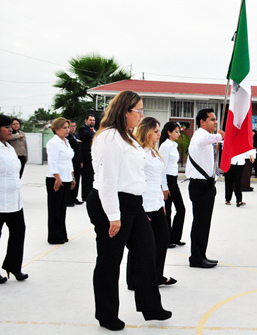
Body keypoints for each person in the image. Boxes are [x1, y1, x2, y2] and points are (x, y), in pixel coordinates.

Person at [86, 91, 171, 331]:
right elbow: (107, 179)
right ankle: (106, 314)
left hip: (133, 203)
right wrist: (114, 216)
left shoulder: (129, 138)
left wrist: (138, 206)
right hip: (111, 203)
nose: (141, 115)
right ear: (125, 111)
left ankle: (151, 306)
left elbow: (135, 175)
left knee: (147, 251)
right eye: (139, 111)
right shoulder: (109, 137)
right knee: (110, 261)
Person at [127, 117, 176, 290]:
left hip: (156, 202)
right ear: (146, 131)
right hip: (144, 204)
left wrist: (162, 197)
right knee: (140, 244)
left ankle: (156, 275)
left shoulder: (154, 151)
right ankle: (134, 280)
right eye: (155, 131)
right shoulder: (139, 152)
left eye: (159, 130)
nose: (159, 134)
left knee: (162, 238)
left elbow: (160, 175)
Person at [186, 108, 224, 268]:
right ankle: (196, 258)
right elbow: (209, 139)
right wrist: (220, 135)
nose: (215, 122)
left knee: (204, 223)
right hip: (199, 186)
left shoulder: (207, 138)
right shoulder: (200, 135)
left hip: (206, 185)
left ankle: (200, 254)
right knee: (200, 223)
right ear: (202, 122)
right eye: (212, 119)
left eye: (216, 119)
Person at [0, 115, 28, 283]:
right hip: (0, 202)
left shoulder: (9, 148)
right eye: (6, 126)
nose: (11, 129)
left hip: (15, 201)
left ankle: (14, 266)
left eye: (11, 126)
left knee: (19, 232)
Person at [46, 117, 75, 244]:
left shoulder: (66, 142)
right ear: (56, 130)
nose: (67, 130)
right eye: (64, 128)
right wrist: (57, 178)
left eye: (68, 127)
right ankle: (54, 236)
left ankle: (62, 234)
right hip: (56, 178)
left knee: (62, 208)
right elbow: (52, 162)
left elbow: (69, 161)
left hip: (66, 177)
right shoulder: (53, 143)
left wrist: (72, 176)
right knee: (55, 209)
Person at [159, 121, 186, 248]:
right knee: (167, 211)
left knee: (181, 209)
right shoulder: (165, 146)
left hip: (174, 180)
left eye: (179, 131)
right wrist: (164, 188)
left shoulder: (173, 145)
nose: (178, 134)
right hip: (167, 180)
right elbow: (162, 168)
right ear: (169, 132)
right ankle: (166, 239)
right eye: (176, 131)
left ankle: (175, 237)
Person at [78, 114, 96, 201]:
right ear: (86, 121)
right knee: (86, 178)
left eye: (93, 120)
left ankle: (90, 195)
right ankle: (85, 196)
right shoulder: (83, 129)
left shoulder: (94, 130)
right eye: (90, 120)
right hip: (86, 158)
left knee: (91, 178)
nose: (92, 121)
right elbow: (89, 135)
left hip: (93, 158)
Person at [66, 120, 84, 206]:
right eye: (71, 126)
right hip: (70, 161)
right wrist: (76, 142)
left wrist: (81, 161)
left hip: (77, 161)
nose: (73, 128)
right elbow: (72, 143)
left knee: (77, 179)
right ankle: (68, 199)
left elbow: (80, 150)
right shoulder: (67, 137)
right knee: (70, 180)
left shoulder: (76, 136)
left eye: (74, 126)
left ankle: (74, 198)